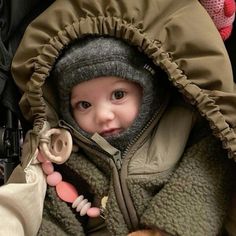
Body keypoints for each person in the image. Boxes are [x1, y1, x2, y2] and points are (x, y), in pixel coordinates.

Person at [0, 0, 236, 235]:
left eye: (118, 95)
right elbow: (55, 217)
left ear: (147, 90)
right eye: (84, 104)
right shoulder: (68, 158)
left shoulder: (185, 126)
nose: (102, 115)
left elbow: (204, 180)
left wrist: (163, 229)